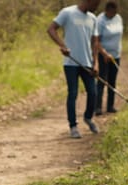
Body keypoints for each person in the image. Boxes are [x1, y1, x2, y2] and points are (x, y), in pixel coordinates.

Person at [48, 0, 102, 139]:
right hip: (70, 62)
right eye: (95, 4)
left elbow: (95, 42)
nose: (96, 8)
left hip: (87, 62)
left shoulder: (93, 18)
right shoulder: (68, 13)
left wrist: (96, 63)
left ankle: (88, 118)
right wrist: (63, 46)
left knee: (93, 92)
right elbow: (51, 29)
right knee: (73, 93)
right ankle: (73, 126)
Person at [95, 1, 123, 115]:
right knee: (102, 80)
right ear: (107, 10)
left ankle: (110, 106)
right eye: (112, 12)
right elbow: (96, 41)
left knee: (112, 81)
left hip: (116, 55)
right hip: (104, 56)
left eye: (115, 12)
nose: (113, 14)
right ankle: (97, 107)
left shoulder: (118, 18)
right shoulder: (100, 20)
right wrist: (104, 53)